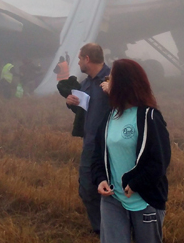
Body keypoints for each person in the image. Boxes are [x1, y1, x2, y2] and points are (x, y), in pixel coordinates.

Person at [91, 59, 171, 243]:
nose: (106, 80)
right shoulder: (110, 115)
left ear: (122, 83)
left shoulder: (149, 117)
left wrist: (135, 184)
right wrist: (100, 178)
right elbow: (98, 154)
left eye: (111, 78)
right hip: (113, 199)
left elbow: (159, 162)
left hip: (144, 200)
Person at [66, 43, 111, 234]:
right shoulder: (86, 83)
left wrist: (115, 89)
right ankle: (102, 230)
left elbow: (132, 101)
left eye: (79, 58)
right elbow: (84, 110)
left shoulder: (114, 79)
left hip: (112, 146)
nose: (78, 62)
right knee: (86, 189)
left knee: (113, 190)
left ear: (87, 59)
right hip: (90, 145)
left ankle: (118, 228)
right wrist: (72, 103)